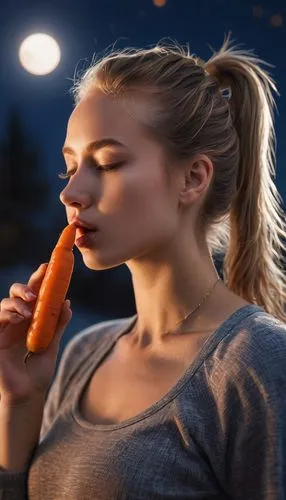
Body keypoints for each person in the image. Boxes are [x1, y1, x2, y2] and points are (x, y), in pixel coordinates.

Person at [1, 33, 286, 499]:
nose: (70, 194)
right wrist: (21, 399)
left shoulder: (260, 364)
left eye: (108, 163)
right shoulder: (82, 354)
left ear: (193, 178)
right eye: (69, 168)